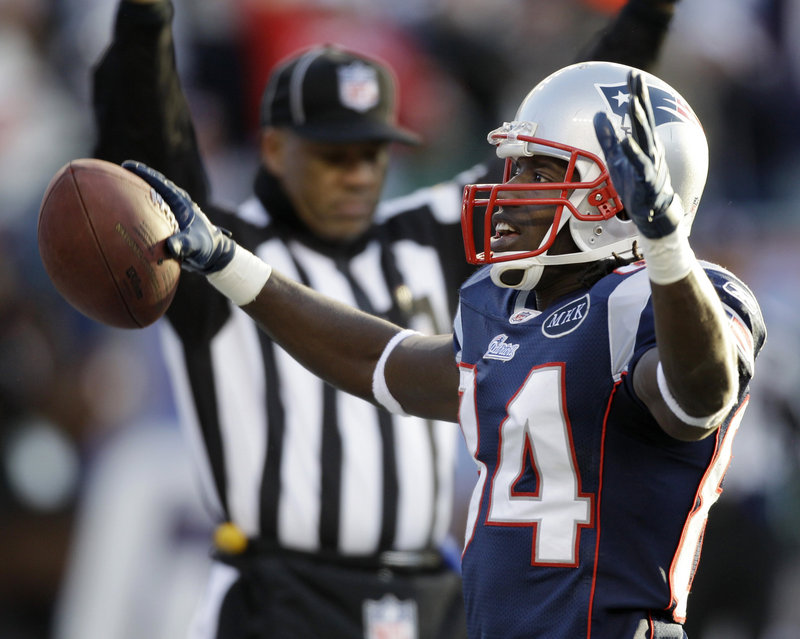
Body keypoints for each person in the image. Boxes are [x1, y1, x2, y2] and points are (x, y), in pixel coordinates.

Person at [91, 1, 684, 637]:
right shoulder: (219, 250)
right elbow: (146, 155)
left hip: (425, 593)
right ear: (272, 147)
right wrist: (147, 21)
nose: (358, 176)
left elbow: (561, 154)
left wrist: (646, 17)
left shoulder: (424, 234)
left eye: (373, 154)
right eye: (333, 156)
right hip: (282, 595)